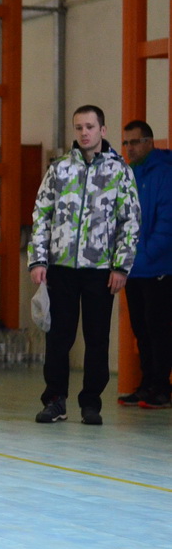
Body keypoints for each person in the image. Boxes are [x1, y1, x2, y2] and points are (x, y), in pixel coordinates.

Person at [28, 105, 140, 425]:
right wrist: (38, 259)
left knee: (97, 338)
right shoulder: (59, 170)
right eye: (79, 127)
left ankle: (91, 403)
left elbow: (130, 221)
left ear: (102, 130)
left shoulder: (120, 172)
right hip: (61, 267)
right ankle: (55, 400)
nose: (84, 133)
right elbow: (41, 215)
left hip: (100, 270)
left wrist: (121, 267)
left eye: (90, 127)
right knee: (58, 337)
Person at [117, 120, 172, 409]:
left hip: (159, 267)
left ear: (149, 142)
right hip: (134, 267)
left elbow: (167, 221)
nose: (129, 148)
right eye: (126, 143)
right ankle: (146, 384)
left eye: (135, 142)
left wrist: (146, 253)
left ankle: (162, 388)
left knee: (158, 328)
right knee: (140, 328)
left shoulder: (164, 173)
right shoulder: (129, 174)